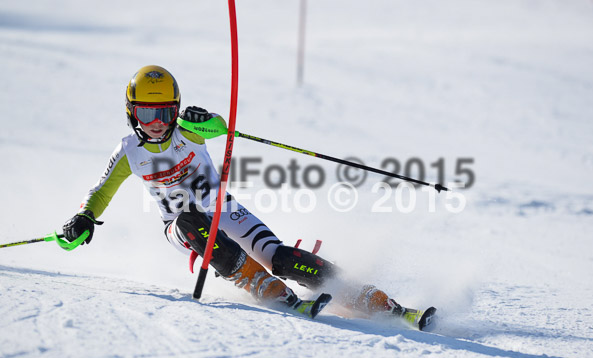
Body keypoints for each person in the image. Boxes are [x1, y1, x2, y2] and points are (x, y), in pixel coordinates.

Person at [62, 65, 419, 322]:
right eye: (146, 112)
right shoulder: (129, 152)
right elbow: (101, 190)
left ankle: (366, 296)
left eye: (165, 111)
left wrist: (198, 117)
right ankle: (256, 282)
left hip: (224, 209)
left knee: (277, 256)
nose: (156, 122)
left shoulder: (188, 130)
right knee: (190, 219)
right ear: (131, 113)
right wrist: (84, 217)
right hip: (181, 227)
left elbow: (218, 127)